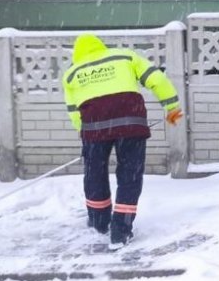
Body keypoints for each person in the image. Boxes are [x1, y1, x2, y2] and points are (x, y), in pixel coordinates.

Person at [62, 34, 184, 247]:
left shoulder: (72, 73)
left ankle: (99, 221)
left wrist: (87, 136)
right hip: (131, 122)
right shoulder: (124, 56)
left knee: (94, 173)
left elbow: (73, 112)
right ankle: (121, 229)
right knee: (130, 175)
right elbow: (157, 79)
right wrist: (172, 107)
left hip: (94, 128)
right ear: (101, 46)